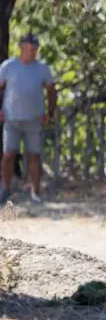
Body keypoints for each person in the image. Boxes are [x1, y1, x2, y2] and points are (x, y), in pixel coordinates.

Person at [0, 33, 57, 204]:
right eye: (30, 47)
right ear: (21, 47)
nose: (33, 51)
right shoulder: (8, 66)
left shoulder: (42, 68)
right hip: (12, 118)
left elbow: (51, 91)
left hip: (34, 119)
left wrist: (51, 112)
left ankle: (36, 192)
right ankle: (5, 189)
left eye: (35, 48)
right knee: (9, 154)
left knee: (34, 155)